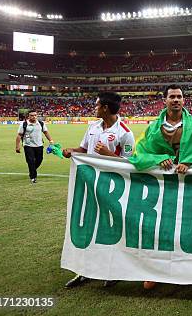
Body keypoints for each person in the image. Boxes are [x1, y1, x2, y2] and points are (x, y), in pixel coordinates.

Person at [129, 84, 192, 290]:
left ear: (184, 100)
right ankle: (155, 272)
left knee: (187, 225)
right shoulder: (154, 127)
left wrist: (189, 161)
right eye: (172, 96)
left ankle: (186, 268)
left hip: (188, 184)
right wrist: (159, 158)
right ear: (164, 100)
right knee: (160, 226)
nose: (176, 100)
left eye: (179, 97)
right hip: (163, 186)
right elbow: (140, 153)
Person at [62, 91, 136, 289]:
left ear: (105, 108)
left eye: (96, 105)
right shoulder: (93, 126)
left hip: (112, 189)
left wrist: (108, 154)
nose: (94, 108)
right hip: (89, 184)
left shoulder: (125, 132)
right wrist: (71, 151)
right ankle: (85, 271)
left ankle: (113, 271)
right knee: (89, 226)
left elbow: (130, 165)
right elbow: (84, 150)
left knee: (112, 229)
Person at [15, 110, 54, 184]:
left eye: (35, 115)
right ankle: (33, 177)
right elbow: (19, 135)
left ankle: (32, 170)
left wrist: (51, 140)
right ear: (28, 116)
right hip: (28, 145)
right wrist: (17, 146)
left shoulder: (41, 123)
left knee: (39, 160)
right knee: (31, 161)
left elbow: (46, 132)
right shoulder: (24, 124)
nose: (34, 117)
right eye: (32, 115)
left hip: (39, 145)